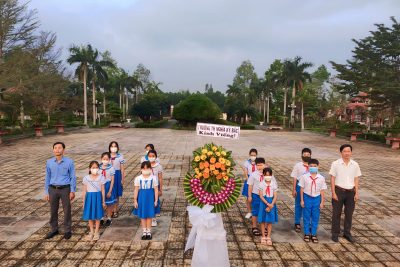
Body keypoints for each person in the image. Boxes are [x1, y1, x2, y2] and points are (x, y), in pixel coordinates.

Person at [44, 141, 76, 240]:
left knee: (67, 210)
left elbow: (72, 177)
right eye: (55, 148)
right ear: (53, 150)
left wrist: (72, 190)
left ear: (63, 150)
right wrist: (46, 192)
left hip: (65, 189)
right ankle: (54, 229)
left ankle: (67, 230)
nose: (57, 149)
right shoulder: (49, 162)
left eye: (59, 148)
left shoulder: (69, 162)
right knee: (53, 210)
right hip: (52, 189)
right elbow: (47, 177)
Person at [330, 144, 361, 243]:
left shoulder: (355, 164)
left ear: (351, 152)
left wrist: (356, 192)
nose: (347, 153)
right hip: (339, 191)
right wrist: (333, 192)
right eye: (345, 151)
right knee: (336, 214)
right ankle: (335, 233)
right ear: (341, 152)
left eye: (348, 151)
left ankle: (347, 233)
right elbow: (332, 178)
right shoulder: (335, 164)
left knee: (349, 214)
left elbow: (356, 178)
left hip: (351, 192)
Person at [299, 158, 326, 243]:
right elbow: (302, 189)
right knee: (306, 216)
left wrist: (322, 202)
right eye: (311, 166)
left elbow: (322, 190)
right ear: (308, 166)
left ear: (318, 166)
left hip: (317, 198)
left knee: (315, 216)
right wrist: (302, 200)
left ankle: (313, 233)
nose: (313, 167)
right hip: (307, 197)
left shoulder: (321, 178)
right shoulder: (304, 177)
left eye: (315, 166)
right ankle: (307, 233)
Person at [133, 161, 159, 240]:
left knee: (149, 215)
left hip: (150, 198)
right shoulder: (138, 178)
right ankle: (144, 231)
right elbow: (136, 190)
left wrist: (156, 200)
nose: (146, 170)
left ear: (150, 169)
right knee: (143, 215)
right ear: (141, 169)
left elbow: (156, 190)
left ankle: (149, 231)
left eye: (147, 168)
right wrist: (135, 200)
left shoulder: (154, 178)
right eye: (144, 168)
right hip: (141, 198)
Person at [82, 161, 106, 241]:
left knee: (98, 215)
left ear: (99, 169)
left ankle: (96, 232)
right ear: (90, 168)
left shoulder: (101, 177)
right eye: (93, 168)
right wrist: (83, 202)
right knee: (90, 216)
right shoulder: (86, 178)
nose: (94, 169)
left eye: (96, 167)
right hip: (89, 197)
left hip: (98, 197)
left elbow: (103, 190)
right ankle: (91, 231)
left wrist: (103, 201)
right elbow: (84, 191)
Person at [290, 148, 312, 232]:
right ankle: (297, 223)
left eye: (308, 155)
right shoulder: (298, 165)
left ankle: (308, 223)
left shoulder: (313, 165)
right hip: (299, 186)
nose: (306, 156)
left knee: (308, 205)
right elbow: (295, 177)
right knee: (298, 205)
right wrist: (294, 189)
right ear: (302, 155)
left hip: (309, 187)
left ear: (310, 155)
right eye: (304, 155)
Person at [258, 167, 278, 245]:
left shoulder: (274, 184)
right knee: (263, 220)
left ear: (271, 175)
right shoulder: (261, 184)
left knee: (270, 221)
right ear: (263, 175)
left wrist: (271, 205)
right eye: (266, 175)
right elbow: (261, 196)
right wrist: (267, 204)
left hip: (272, 203)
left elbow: (275, 196)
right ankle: (263, 236)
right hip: (264, 203)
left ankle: (268, 236)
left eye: (269, 175)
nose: (267, 177)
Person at [247, 157, 267, 236]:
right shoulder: (253, 174)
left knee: (265, 211)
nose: (259, 167)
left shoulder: (268, 173)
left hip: (265, 195)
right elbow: (250, 186)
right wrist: (249, 196)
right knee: (255, 211)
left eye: (261, 165)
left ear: (264, 165)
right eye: (257, 165)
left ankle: (265, 227)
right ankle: (254, 227)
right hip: (256, 195)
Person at [109, 141, 125, 218]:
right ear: (109, 148)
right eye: (112, 146)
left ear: (117, 148)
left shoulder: (120, 156)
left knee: (117, 194)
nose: (113, 148)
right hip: (109, 177)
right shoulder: (107, 156)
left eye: (115, 146)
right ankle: (110, 210)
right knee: (110, 193)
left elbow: (122, 169)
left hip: (117, 175)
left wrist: (122, 179)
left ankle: (115, 210)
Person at [99, 152, 116, 227]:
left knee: (109, 203)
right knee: (100, 202)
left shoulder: (111, 168)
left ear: (109, 160)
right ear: (101, 159)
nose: (105, 160)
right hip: (99, 186)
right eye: (104, 159)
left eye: (107, 159)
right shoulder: (98, 167)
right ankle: (101, 217)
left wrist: (110, 191)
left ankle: (109, 218)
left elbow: (112, 180)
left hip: (108, 186)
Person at [241, 148, 258, 219]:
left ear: (256, 155)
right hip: (249, 180)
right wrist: (249, 182)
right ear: (249, 155)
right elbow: (245, 173)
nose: (253, 156)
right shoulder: (247, 162)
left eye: (254, 155)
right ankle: (249, 212)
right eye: (251, 155)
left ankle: (255, 211)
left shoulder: (258, 162)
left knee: (255, 197)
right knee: (248, 197)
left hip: (257, 181)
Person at [148, 149, 163, 226]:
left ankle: (153, 219)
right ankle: (148, 217)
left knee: (155, 202)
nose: (151, 157)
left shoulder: (158, 166)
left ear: (156, 157)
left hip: (155, 187)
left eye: (153, 156)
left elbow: (160, 178)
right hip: (147, 187)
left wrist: (161, 189)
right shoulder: (146, 165)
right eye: (149, 156)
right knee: (148, 202)